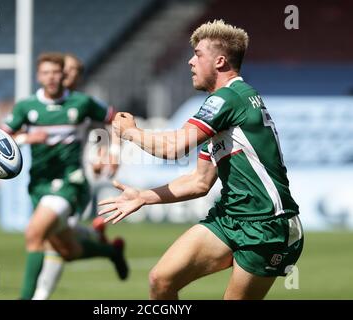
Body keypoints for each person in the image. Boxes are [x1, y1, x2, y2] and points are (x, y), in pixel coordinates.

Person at [99, 20, 304, 300]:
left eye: (197, 54)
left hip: (266, 225)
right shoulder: (230, 105)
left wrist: (132, 132)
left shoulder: (228, 98)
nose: (190, 61)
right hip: (231, 218)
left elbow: (174, 147)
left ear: (219, 61)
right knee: (161, 280)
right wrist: (143, 197)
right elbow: (199, 182)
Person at [1, 52, 128, 300]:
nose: (53, 78)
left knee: (35, 233)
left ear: (66, 75)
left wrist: (112, 151)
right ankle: (109, 251)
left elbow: (115, 120)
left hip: (71, 183)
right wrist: (26, 138)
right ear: (39, 76)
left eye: (58, 73)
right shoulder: (27, 107)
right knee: (67, 250)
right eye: (47, 73)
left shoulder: (80, 103)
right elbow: (0, 138)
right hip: (38, 185)